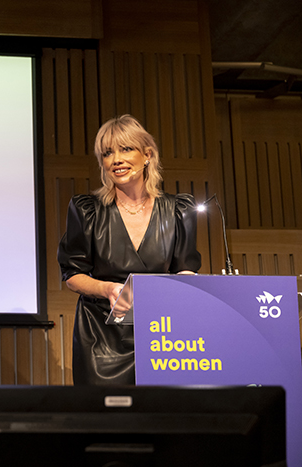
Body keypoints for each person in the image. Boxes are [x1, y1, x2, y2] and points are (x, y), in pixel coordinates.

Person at [57, 115, 201, 385]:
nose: (116, 159)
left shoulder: (178, 210)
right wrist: (108, 289)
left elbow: (185, 269)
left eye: (125, 149)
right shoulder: (88, 210)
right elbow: (72, 275)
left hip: (164, 338)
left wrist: (187, 283)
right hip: (101, 341)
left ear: (147, 154)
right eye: (108, 153)